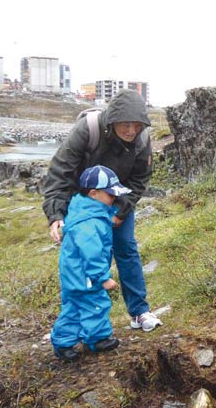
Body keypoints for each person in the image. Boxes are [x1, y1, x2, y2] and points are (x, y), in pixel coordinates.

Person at [42, 89, 162, 333]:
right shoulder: (88, 130)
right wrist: (55, 214)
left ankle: (139, 312)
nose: (131, 131)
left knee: (127, 250)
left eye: (136, 125)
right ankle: (83, 324)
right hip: (84, 203)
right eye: (125, 125)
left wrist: (120, 211)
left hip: (118, 200)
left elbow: (139, 180)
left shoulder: (142, 139)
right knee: (85, 257)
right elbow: (60, 173)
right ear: (112, 121)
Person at [51, 165, 130, 361]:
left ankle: (63, 343)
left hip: (73, 273)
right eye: (110, 194)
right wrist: (102, 278)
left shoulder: (84, 212)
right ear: (94, 193)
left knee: (74, 307)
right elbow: (91, 253)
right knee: (96, 303)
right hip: (84, 275)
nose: (114, 198)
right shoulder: (90, 222)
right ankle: (97, 339)